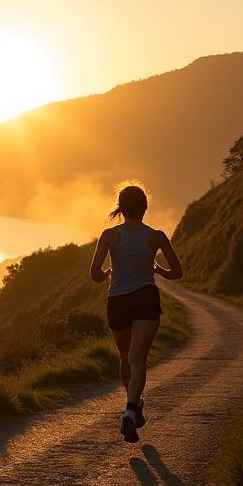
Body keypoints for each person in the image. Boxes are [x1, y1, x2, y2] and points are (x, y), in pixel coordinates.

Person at [89, 184, 183, 443]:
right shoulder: (156, 236)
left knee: (125, 357)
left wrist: (110, 271)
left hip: (117, 299)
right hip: (145, 298)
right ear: (145, 207)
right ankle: (131, 409)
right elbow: (177, 272)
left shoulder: (109, 235)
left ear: (120, 207)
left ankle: (132, 405)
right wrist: (157, 269)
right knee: (138, 357)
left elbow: (94, 275)